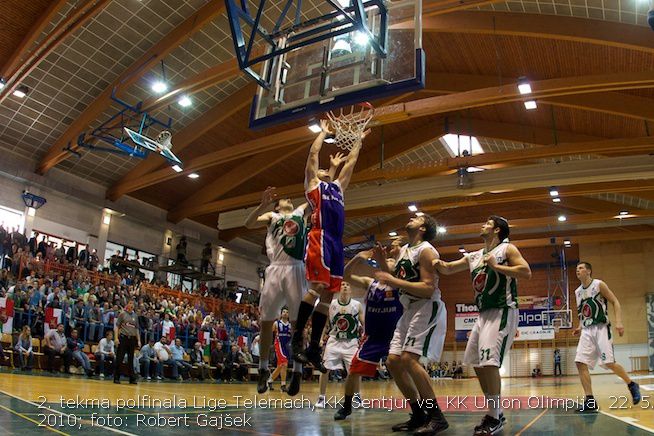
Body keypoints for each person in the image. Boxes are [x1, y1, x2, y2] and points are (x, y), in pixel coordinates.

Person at [290, 119, 368, 396]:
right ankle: (297, 339)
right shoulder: (313, 186)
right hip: (320, 238)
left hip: (337, 243)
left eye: (327, 170)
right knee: (318, 288)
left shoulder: (338, 187)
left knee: (328, 297)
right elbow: (312, 157)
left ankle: (313, 348)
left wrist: (358, 140)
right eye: (323, 169)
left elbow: (351, 164)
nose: (325, 169)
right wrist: (323, 134)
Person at [433, 216, 531, 435]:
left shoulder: (507, 249)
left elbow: (526, 271)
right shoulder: (475, 255)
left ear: (497, 230)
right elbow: (448, 269)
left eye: (487, 223)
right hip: (483, 314)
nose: (482, 225)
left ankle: (494, 417)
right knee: (476, 363)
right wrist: (434, 262)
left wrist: (498, 267)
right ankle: (496, 411)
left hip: (502, 310)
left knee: (489, 363)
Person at [374, 214, 448, 435]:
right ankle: (418, 415)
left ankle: (436, 417)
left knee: (408, 359)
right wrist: (380, 261)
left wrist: (393, 280)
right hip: (409, 309)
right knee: (393, 361)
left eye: (417, 217)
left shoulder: (426, 250)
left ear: (423, 228)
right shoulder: (405, 249)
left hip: (426, 306)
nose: (412, 217)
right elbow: (396, 279)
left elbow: (427, 287)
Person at [244, 186, 309, 394]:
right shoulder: (272, 216)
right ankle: (263, 370)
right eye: (283, 198)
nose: (288, 198)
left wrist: (327, 175)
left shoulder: (300, 211)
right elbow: (248, 224)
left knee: (297, 326)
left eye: (290, 197)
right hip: (275, 269)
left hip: (296, 268)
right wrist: (262, 205)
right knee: (265, 324)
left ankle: (297, 372)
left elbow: (318, 197)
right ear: (278, 205)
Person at [333, 243, 404, 420]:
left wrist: (384, 261)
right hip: (372, 338)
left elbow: (393, 273)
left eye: (391, 261)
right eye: (385, 260)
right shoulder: (370, 283)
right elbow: (346, 275)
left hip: (394, 337)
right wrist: (357, 258)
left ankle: (419, 408)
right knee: (353, 371)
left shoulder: (400, 285)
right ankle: (347, 406)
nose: (387, 261)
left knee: (405, 374)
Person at [573, 262, 641, 412]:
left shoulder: (598, 285)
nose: (578, 270)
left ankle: (631, 384)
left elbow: (615, 302)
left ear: (589, 271)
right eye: (577, 268)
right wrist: (579, 326)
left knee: (609, 363)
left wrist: (619, 322)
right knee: (580, 362)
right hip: (586, 330)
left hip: (601, 328)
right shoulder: (577, 292)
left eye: (581, 268)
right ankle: (590, 401)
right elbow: (584, 312)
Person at [316, 282, 363, 408]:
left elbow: (364, 325)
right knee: (324, 369)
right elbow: (325, 324)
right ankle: (321, 398)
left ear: (351, 289)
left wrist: (367, 337)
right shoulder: (332, 304)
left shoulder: (357, 305)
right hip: (334, 340)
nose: (345, 286)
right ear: (339, 288)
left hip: (351, 342)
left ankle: (357, 396)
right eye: (342, 285)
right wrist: (320, 339)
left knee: (355, 371)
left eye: (348, 285)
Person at [114, 300, 140, 384]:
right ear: (127, 305)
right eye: (130, 303)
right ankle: (116, 377)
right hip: (123, 337)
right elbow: (117, 326)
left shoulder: (135, 316)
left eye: (133, 304)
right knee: (119, 358)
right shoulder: (122, 314)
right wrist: (116, 338)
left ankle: (132, 378)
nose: (132, 305)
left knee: (131, 359)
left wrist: (138, 340)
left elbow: (137, 329)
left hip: (132, 339)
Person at [267, 308, 293, 392]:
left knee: (280, 366)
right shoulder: (276, 323)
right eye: (284, 312)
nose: (285, 313)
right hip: (279, 345)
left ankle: (270, 380)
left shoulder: (290, 325)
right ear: (281, 314)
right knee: (284, 364)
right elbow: (270, 333)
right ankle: (283, 385)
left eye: (287, 312)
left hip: (286, 346)